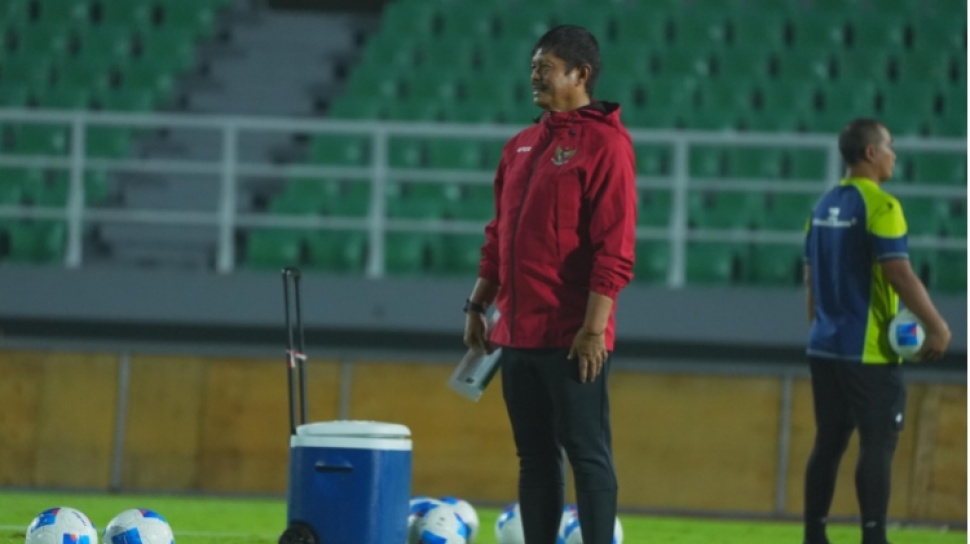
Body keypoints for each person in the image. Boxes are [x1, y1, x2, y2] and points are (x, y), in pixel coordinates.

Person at [462, 24, 637, 544]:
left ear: (580, 74)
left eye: (545, 68)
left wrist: (593, 330)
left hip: (571, 336)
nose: (534, 76)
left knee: (587, 454)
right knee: (535, 459)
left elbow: (615, 248)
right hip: (515, 335)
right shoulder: (520, 145)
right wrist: (477, 305)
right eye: (533, 67)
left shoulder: (607, 145)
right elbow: (497, 235)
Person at [802, 118, 951, 544]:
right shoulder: (883, 207)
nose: (894, 156)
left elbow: (811, 280)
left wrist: (819, 329)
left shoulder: (821, 206)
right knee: (878, 441)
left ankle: (814, 535)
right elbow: (898, 272)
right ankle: (874, 537)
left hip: (824, 346)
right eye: (889, 146)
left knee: (828, 442)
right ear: (871, 153)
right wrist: (936, 326)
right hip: (867, 351)